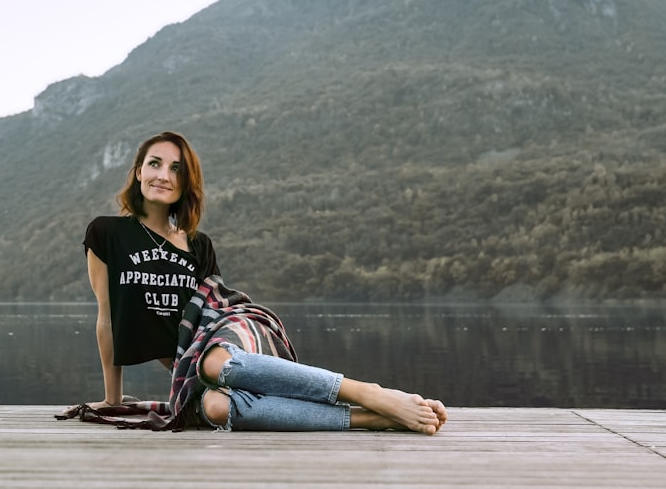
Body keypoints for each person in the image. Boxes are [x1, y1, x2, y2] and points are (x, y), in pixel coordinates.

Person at [66, 131, 447, 433]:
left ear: (186, 183)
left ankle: (369, 393)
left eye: (176, 168)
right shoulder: (106, 233)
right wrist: (111, 397)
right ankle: (371, 417)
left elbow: (215, 307)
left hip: (228, 328)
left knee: (215, 363)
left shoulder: (198, 245)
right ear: (137, 172)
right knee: (215, 407)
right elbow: (108, 318)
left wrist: (211, 352)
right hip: (192, 362)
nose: (163, 175)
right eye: (154, 164)